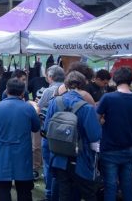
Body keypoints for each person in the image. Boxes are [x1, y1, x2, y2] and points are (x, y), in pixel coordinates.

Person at [44, 71, 102, 200]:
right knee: (88, 193)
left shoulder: (55, 102)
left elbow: (47, 128)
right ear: (83, 86)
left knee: (63, 193)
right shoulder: (86, 108)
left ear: (66, 84)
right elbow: (94, 135)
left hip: (58, 156)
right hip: (80, 157)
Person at [0, 78, 41, 201]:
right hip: (23, 154)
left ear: (7, 90)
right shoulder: (28, 108)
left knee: (3, 189)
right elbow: (36, 128)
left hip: (1, 153)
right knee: (24, 189)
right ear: (22, 92)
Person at [97, 66, 132, 201]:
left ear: (115, 79)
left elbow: (96, 119)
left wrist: (105, 121)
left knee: (110, 186)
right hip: (129, 148)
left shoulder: (108, 98)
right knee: (127, 185)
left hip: (109, 148)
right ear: (131, 80)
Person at [37, 65, 65, 201]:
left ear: (51, 77)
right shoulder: (67, 88)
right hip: (65, 133)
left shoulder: (49, 91)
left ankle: (49, 194)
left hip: (49, 132)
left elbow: (39, 107)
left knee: (48, 164)